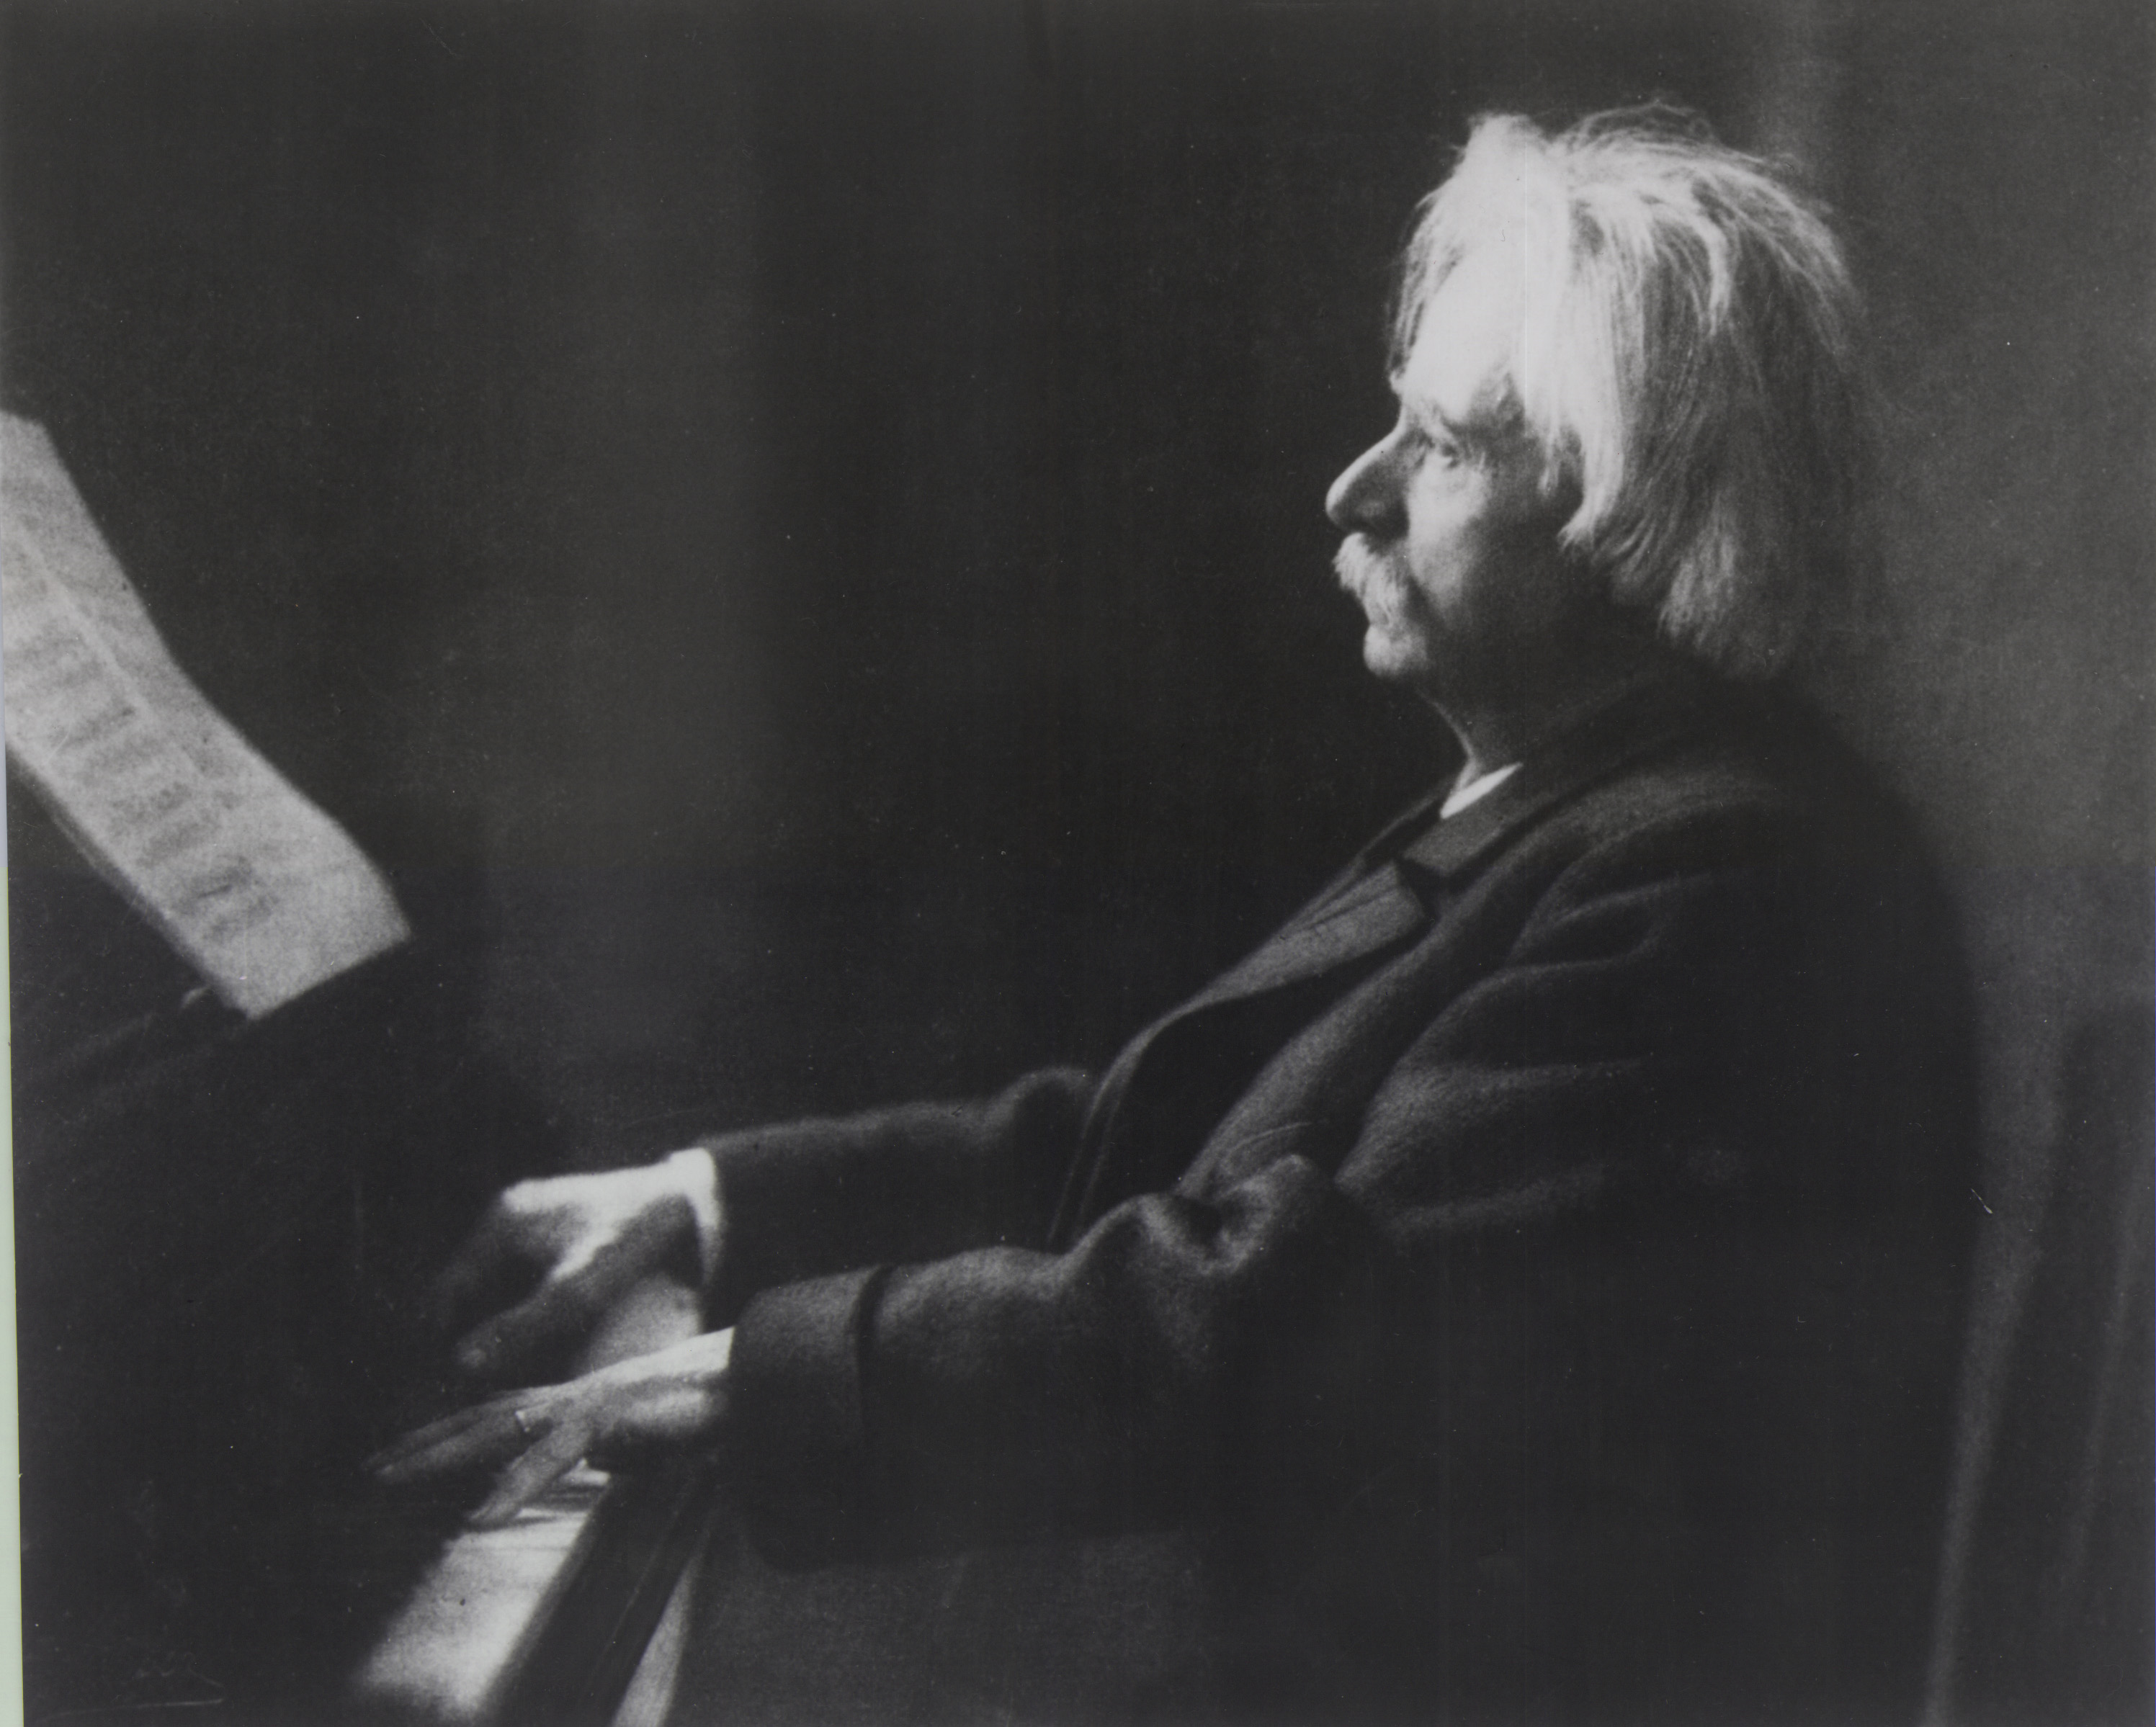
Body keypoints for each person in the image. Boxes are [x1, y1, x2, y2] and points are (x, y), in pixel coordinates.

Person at [373, 108, 1975, 1723]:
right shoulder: (1580, 797)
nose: (1351, 491)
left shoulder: (1727, 872)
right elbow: (1151, 1133)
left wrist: (753, 1371)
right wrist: (706, 1200)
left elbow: (1285, 1314)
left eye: (1441, 445)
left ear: (1639, 512)